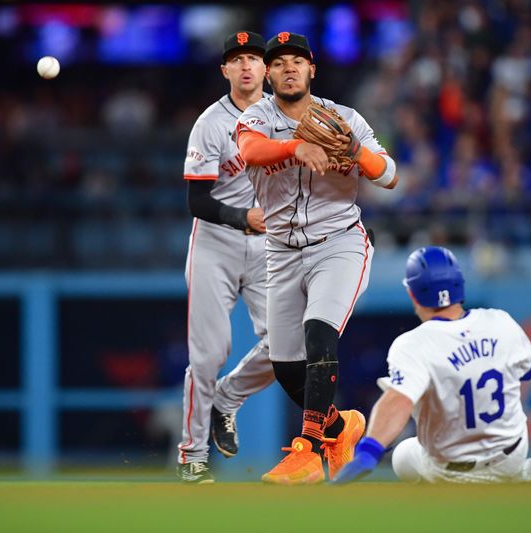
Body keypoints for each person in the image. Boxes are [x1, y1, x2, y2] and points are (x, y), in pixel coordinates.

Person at [235, 32, 399, 485]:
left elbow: (389, 175)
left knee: (319, 332)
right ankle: (341, 428)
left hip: (338, 242)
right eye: (280, 62)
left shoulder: (346, 119)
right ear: (268, 74)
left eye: (298, 61)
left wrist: (356, 153)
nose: (289, 68)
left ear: (313, 70)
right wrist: (294, 147)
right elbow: (249, 151)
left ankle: (306, 453)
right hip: (282, 251)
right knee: (287, 367)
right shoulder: (257, 117)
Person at [333, 246, 531, 484]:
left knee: (403, 455)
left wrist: (368, 452)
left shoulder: (412, 343)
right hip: (512, 454)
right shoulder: (501, 322)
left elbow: (398, 401)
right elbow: (524, 375)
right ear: (459, 285)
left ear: (413, 293)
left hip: (450, 469)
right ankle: (530, 473)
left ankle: (508, 477)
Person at [177, 31, 276, 484]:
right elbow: (197, 202)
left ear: (267, 67)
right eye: (237, 59)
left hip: (267, 244)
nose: (246, 66)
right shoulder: (210, 123)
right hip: (216, 241)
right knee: (208, 354)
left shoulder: (286, 115)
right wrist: (244, 218)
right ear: (225, 70)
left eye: (253, 58)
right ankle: (193, 456)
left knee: (289, 346)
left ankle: (227, 398)